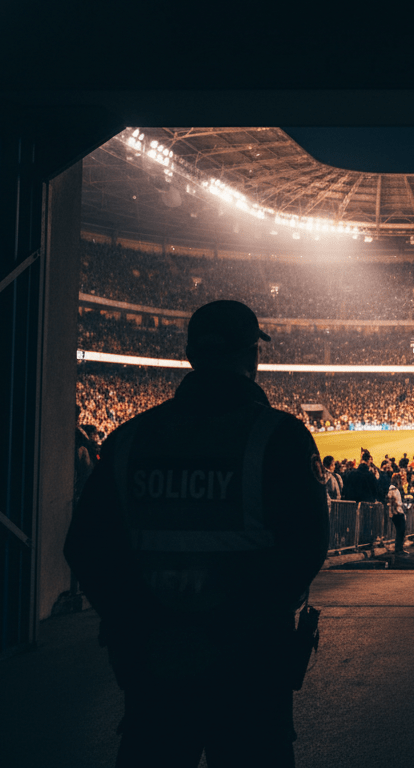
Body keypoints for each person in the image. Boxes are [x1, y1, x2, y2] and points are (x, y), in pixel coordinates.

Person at [64, 299, 328, 767]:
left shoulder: (129, 439)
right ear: (253, 357)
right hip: (250, 668)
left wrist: (139, 625)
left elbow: (86, 547)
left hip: (154, 663)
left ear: (190, 356)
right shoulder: (280, 436)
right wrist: (235, 627)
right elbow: (305, 548)